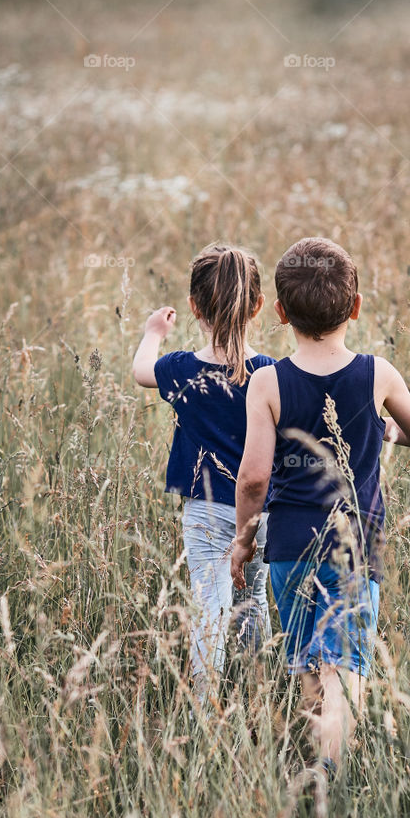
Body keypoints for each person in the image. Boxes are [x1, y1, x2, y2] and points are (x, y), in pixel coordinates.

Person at [231, 237, 410, 769]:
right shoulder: (378, 374)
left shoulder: (268, 382)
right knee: (342, 669)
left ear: (279, 313)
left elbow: (254, 477)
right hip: (354, 546)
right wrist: (379, 430)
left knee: (305, 666)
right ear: (356, 306)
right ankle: (337, 783)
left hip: (290, 547)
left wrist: (242, 539)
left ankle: (318, 776)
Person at [132, 242, 274, 704]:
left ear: (194, 306)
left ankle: (208, 706)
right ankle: (258, 695)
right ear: (257, 305)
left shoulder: (180, 368)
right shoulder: (271, 374)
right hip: (260, 514)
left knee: (209, 608)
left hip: (206, 513)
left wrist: (154, 332)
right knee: (253, 604)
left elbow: (140, 371)